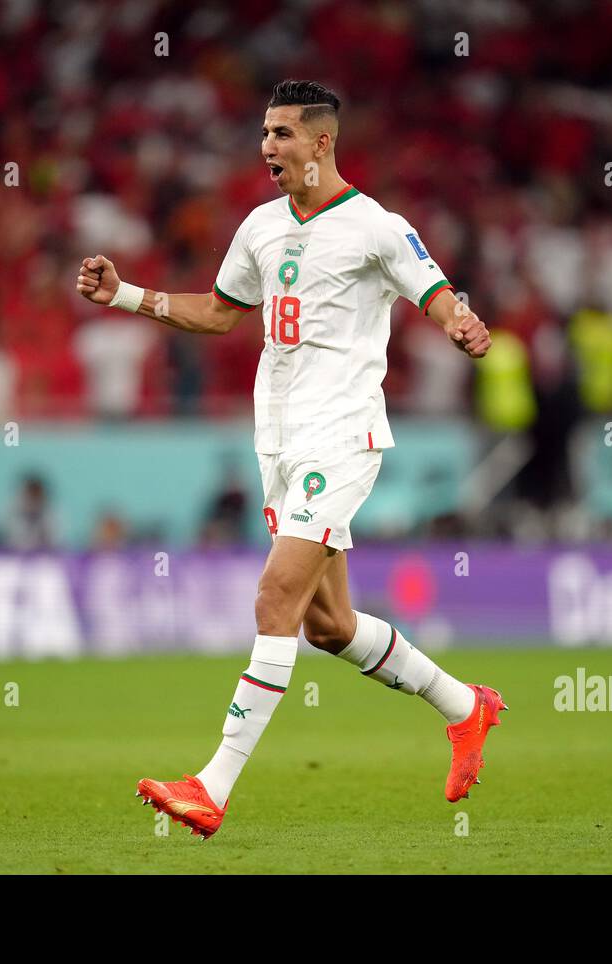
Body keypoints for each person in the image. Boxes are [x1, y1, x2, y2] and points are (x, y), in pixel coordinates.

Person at [76, 79, 505, 839]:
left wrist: (460, 325)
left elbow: (434, 291)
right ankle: (465, 708)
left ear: (321, 141)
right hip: (276, 443)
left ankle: (211, 786)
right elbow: (216, 313)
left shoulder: (376, 226)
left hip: (340, 438)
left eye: (280, 133)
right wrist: (124, 297)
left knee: (275, 598)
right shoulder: (260, 229)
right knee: (329, 626)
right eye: (264, 133)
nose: (267, 147)